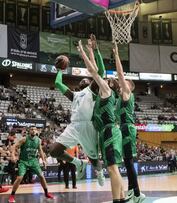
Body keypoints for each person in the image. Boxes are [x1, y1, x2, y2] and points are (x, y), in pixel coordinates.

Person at [49, 35, 105, 186]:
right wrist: (60, 69)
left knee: (94, 160)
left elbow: (100, 72)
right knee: (53, 150)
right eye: (84, 80)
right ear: (79, 84)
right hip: (73, 126)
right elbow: (57, 83)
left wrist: (95, 50)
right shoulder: (74, 95)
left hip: (88, 126)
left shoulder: (92, 90)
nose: (86, 80)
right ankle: (78, 163)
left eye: (88, 79)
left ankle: (99, 172)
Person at [78, 40, 129, 203]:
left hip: (109, 132)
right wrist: (92, 50)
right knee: (114, 169)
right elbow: (96, 70)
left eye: (107, 79)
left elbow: (94, 71)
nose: (103, 80)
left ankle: (117, 200)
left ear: (110, 85)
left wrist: (82, 52)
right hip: (108, 132)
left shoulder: (107, 91)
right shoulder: (105, 94)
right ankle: (121, 198)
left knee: (112, 168)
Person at [113, 44, 145, 203]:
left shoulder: (127, 93)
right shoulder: (120, 98)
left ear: (129, 87)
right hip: (124, 128)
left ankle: (137, 193)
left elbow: (119, 73)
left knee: (128, 161)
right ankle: (134, 191)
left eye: (124, 82)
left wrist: (117, 55)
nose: (121, 83)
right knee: (127, 161)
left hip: (127, 128)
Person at [8, 127, 54, 203]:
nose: (33, 130)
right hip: (23, 161)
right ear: (29, 131)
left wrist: (44, 160)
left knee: (42, 176)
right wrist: (13, 156)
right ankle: (12, 196)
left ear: (37, 131)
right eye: (32, 129)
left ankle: (46, 193)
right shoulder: (24, 139)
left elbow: (40, 150)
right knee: (20, 178)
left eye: (35, 129)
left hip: (33, 161)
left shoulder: (38, 140)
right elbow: (14, 147)